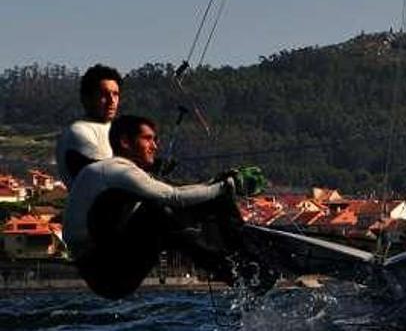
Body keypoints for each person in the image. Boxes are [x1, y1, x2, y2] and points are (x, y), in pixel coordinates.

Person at [63, 114, 271, 299]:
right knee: (161, 213)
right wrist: (228, 186)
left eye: (156, 140)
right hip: (105, 271)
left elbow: (179, 193)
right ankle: (243, 271)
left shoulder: (109, 171)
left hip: (104, 266)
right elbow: (174, 196)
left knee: (198, 200)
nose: (155, 146)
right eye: (148, 139)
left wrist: (216, 184)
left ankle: (242, 256)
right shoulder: (117, 170)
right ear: (125, 142)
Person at [55, 64, 122, 188]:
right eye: (104, 94)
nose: (111, 100)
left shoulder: (117, 130)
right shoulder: (78, 132)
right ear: (86, 98)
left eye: (115, 94)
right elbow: (109, 174)